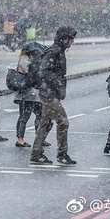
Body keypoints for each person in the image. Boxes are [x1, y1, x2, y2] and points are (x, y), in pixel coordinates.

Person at [30, 26, 77, 165]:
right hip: (49, 93)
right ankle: (62, 154)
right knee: (63, 122)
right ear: (65, 38)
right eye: (71, 39)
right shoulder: (54, 51)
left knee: (45, 123)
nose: (72, 42)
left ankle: (36, 153)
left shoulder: (59, 51)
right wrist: (58, 83)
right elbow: (44, 71)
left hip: (50, 92)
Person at [13, 42, 50, 148]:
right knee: (25, 116)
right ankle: (20, 140)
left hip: (33, 93)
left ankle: (39, 138)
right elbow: (28, 77)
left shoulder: (32, 59)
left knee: (39, 114)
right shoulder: (25, 60)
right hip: (27, 94)